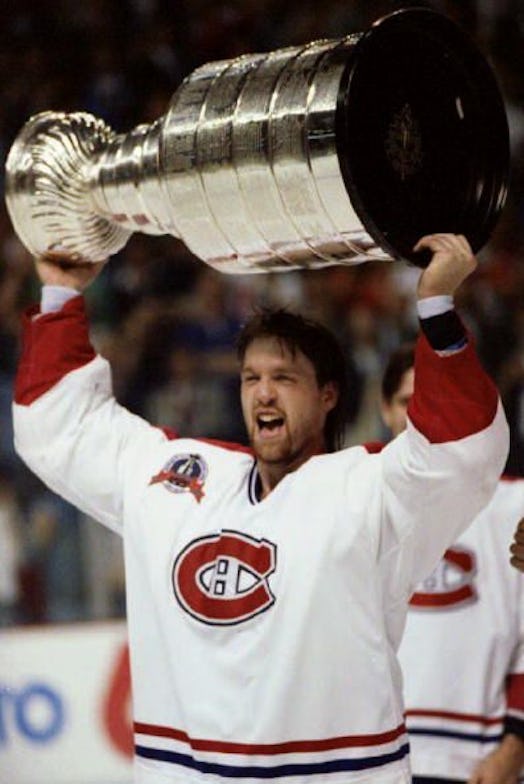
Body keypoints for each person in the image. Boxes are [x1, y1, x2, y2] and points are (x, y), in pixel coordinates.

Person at [12, 233, 508, 784]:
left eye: (284, 378)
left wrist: (436, 306)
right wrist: (59, 294)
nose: (263, 394)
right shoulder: (177, 480)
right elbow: (60, 430)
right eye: (252, 378)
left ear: (328, 395)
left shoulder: (370, 491)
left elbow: (464, 450)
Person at [380, 344, 524, 784]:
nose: (423, 420)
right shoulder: (352, 498)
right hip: (372, 757)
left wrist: (515, 747)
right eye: (409, 403)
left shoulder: (515, 504)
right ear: (385, 410)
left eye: (436, 403)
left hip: (477, 763)